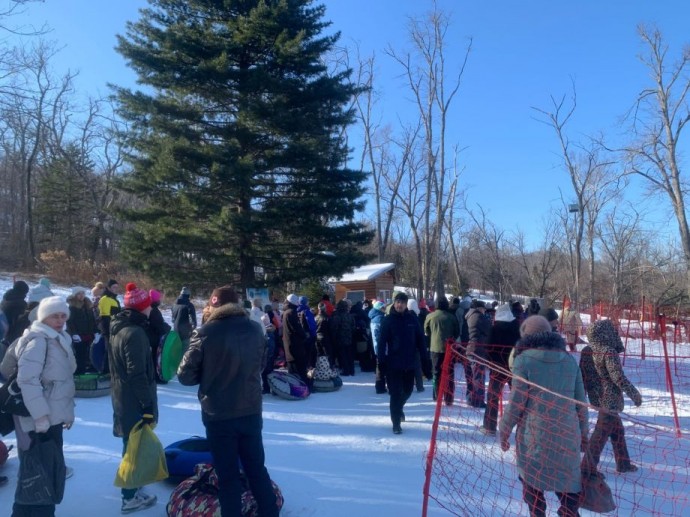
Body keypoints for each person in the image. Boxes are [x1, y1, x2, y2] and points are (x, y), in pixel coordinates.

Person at [177, 286, 278, 517]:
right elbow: (260, 365)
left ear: (214, 306)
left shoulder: (205, 333)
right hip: (250, 410)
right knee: (256, 469)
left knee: (228, 476)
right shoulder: (255, 329)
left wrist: (209, 373)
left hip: (218, 414)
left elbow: (185, 376)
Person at [499, 315, 588, 517]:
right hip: (566, 436)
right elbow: (581, 404)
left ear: (526, 336)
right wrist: (584, 434)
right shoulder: (569, 361)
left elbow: (516, 403)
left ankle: (537, 513)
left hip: (534, 438)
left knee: (533, 486)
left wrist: (504, 431)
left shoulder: (523, 361)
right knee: (567, 490)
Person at [11, 296, 76, 517]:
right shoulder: (38, 340)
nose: (59, 320)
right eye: (54, 316)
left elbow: (62, 382)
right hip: (38, 421)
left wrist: (66, 414)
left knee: (45, 474)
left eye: (63, 316)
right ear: (43, 317)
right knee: (37, 477)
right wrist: (40, 416)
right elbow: (27, 380)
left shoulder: (60, 339)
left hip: (53, 419)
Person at [108, 283, 158, 513]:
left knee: (133, 444)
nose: (151, 309)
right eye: (148, 305)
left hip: (123, 396)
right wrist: (147, 404)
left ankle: (134, 487)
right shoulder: (135, 333)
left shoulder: (119, 327)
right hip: (133, 400)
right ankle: (128, 497)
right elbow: (137, 373)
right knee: (132, 448)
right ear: (142, 308)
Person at [583, 319, 642, 474]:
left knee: (617, 431)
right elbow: (618, 377)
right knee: (600, 435)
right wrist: (634, 394)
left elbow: (584, 376)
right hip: (610, 399)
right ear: (607, 333)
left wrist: (583, 395)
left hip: (597, 396)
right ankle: (586, 469)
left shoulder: (587, 350)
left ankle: (623, 464)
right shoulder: (608, 351)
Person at [378, 292, 432, 434]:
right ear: (394, 303)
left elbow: (421, 340)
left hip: (410, 363)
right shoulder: (388, 320)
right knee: (395, 394)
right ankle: (396, 423)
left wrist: (425, 361)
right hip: (393, 364)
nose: (399, 304)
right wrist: (381, 361)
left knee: (407, 391)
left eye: (402, 302)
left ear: (406, 304)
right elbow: (382, 342)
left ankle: (399, 408)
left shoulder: (412, 319)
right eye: (397, 302)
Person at [480, 303, 520, 436]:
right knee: (518, 398)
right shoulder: (517, 327)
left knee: (493, 397)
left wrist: (490, 362)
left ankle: (489, 427)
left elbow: (488, 347)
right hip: (514, 367)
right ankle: (522, 428)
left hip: (497, 368)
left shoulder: (495, 328)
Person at [424, 297, 460, 405]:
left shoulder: (430, 316)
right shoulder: (451, 317)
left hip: (435, 348)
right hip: (449, 349)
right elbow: (457, 332)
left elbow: (426, 331)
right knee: (449, 373)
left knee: (436, 373)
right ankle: (449, 399)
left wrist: (434, 336)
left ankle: (437, 396)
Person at [66, 286, 98, 375]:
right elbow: (70, 322)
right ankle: (78, 372)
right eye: (79, 294)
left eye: (83, 293)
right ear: (75, 295)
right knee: (80, 354)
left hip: (89, 334)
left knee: (89, 353)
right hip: (79, 335)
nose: (81, 295)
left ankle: (87, 369)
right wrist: (74, 334)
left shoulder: (87, 305)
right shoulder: (72, 307)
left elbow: (92, 320)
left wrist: (96, 331)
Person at [465, 300, 491, 408]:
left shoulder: (470, 315)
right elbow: (489, 329)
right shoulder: (478, 317)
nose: (484, 310)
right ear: (479, 308)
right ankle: (478, 400)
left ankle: (471, 398)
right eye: (483, 308)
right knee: (478, 376)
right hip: (478, 349)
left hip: (472, 348)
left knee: (472, 375)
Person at [282, 294, 309, 385]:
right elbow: (296, 328)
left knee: (292, 367)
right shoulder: (291, 312)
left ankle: (294, 385)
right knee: (299, 367)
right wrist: (304, 335)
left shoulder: (286, 312)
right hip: (295, 344)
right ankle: (302, 386)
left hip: (289, 343)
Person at [147, 289, 171, 384]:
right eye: (159, 298)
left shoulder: (149, 308)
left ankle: (154, 376)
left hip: (151, 337)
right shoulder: (154, 311)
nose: (160, 300)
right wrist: (167, 328)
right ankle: (156, 377)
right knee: (155, 358)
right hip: (154, 338)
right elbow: (157, 326)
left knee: (153, 357)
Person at [329, 299, 355, 376]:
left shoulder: (337, 316)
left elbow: (334, 328)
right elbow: (353, 327)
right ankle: (351, 370)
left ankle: (345, 370)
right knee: (349, 355)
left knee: (342, 355)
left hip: (340, 338)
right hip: (349, 337)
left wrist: (333, 338)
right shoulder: (350, 316)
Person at [406, 298, 425, 392]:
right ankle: (419, 386)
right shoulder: (417, 318)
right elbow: (420, 333)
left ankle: (407, 386)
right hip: (415, 346)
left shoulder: (402, 317)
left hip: (405, 346)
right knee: (417, 367)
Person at [368, 300, 387, 394]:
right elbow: (381, 335)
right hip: (382, 348)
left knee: (379, 366)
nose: (385, 309)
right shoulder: (380, 319)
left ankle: (379, 386)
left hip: (377, 347)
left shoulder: (373, 317)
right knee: (383, 367)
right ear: (380, 308)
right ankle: (381, 387)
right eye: (383, 307)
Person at [172, 287, 197, 352]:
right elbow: (193, 320)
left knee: (176, 351)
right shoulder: (189, 305)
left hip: (175, 329)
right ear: (188, 295)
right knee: (185, 350)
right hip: (185, 331)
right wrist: (192, 329)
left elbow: (173, 319)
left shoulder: (174, 304)